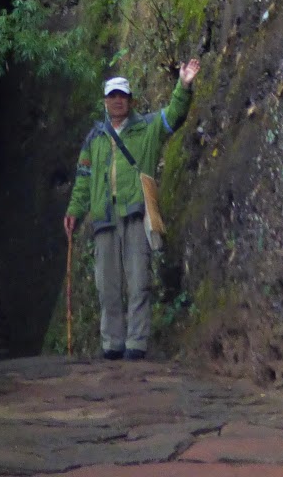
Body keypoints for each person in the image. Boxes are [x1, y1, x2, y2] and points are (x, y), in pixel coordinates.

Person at [63, 62, 200, 360]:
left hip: (136, 213)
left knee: (139, 281)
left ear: (131, 100)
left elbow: (174, 115)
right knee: (107, 286)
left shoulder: (147, 128)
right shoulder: (94, 138)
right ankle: (112, 344)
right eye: (112, 96)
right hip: (104, 217)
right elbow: (83, 178)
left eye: (122, 96)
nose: (117, 101)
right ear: (105, 101)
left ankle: (136, 343)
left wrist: (184, 85)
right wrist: (74, 210)